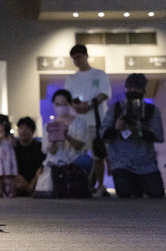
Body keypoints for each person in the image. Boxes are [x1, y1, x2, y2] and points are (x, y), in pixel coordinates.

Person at [100, 74, 164, 198]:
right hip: (121, 163)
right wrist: (116, 128)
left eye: (137, 89)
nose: (133, 91)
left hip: (146, 164)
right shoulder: (116, 109)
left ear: (144, 90)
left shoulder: (151, 111)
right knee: (125, 194)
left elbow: (159, 136)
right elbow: (103, 134)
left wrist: (139, 130)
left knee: (157, 194)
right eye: (130, 88)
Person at [64, 44, 111, 197]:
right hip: (78, 123)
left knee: (98, 154)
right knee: (78, 155)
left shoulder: (99, 74)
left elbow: (103, 94)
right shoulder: (72, 78)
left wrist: (89, 104)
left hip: (96, 121)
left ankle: (100, 185)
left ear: (86, 56)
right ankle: (82, 184)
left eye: (79, 57)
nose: (77, 61)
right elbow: (68, 97)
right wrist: (76, 106)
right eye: (74, 59)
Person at [41, 89, 89, 197]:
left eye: (64, 104)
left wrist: (66, 135)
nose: (61, 107)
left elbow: (80, 145)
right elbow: (48, 150)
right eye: (58, 104)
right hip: (55, 162)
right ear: (54, 104)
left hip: (74, 162)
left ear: (70, 104)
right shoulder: (49, 126)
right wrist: (54, 138)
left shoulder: (80, 123)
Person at [14, 116, 46, 196]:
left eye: (27, 128)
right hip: (19, 179)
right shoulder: (13, 147)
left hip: (36, 178)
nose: (23, 131)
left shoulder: (39, 146)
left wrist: (33, 183)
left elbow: (41, 167)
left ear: (32, 131)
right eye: (20, 128)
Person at [0, 114, 17, 198]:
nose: (2, 127)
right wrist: (2, 136)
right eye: (1, 125)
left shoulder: (10, 136)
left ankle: (11, 190)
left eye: (4, 125)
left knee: (10, 176)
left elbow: (14, 145)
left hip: (8, 159)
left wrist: (9, 136)